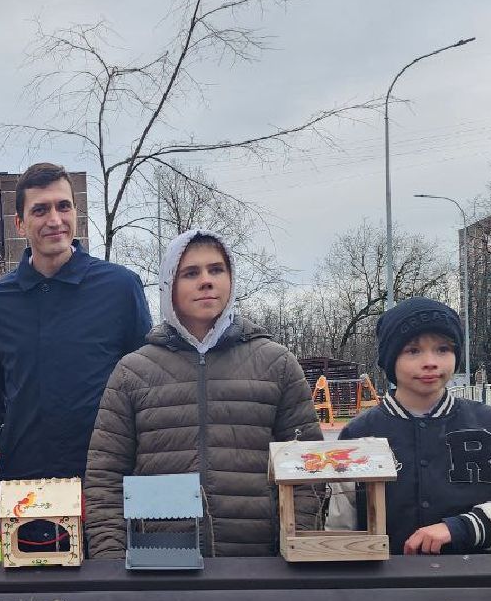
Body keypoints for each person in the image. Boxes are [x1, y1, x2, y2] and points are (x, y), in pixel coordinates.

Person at [84, 229, 322, 558]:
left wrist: (299, 549)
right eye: (191, 273)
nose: (206, 281)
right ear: (170, 285)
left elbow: (308, 471)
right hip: (158, 569)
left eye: (216, 269)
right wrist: (112, 564)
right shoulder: (133, 372)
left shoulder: (276, 364)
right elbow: (105, 478)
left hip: (259, 567)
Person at [329, 297, 491, 555]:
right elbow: (337, 528)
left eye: (443, 349)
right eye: (413, 350)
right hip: (386, 591)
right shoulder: (359, 436)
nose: (430, 362)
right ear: (390, 359)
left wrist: (466, 527)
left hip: (482, 589)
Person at [0, 162, 151, 481]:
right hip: (26, 485)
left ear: (75, 213)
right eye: (40, 210)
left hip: (107, 479)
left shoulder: (120, 288)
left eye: (63, 206)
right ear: (19, 223)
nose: (55, 220)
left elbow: (146, 387)